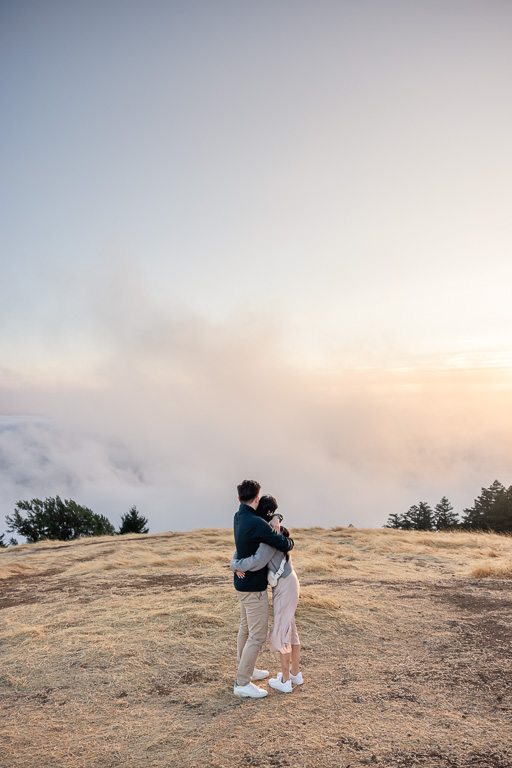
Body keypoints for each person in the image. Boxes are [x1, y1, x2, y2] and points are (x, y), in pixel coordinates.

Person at [231, 494, 302, 694]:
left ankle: (286, 681)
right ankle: (294, 674)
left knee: (282, 630)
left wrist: (234, 565)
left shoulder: (268, 535)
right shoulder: (269, 531)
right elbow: (244, 548)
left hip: (285, 587)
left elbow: (257, 561)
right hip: (288, 584)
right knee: (289, 629)